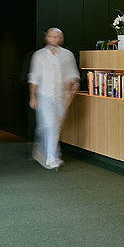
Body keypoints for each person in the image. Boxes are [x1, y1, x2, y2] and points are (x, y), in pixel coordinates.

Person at [28, 27, 79, 170]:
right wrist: (33, 96)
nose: (54, 39)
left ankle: (42, 150)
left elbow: (73, 75)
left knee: (53, 127)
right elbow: (34, 77)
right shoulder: (39, 55)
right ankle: (51, 157)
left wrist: (69, 89)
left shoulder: (67, 55)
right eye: (52, 36)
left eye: (57, 36)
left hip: (61, 97)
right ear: (47, 37)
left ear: (61, 39)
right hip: (44, 96)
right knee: (51, 125)